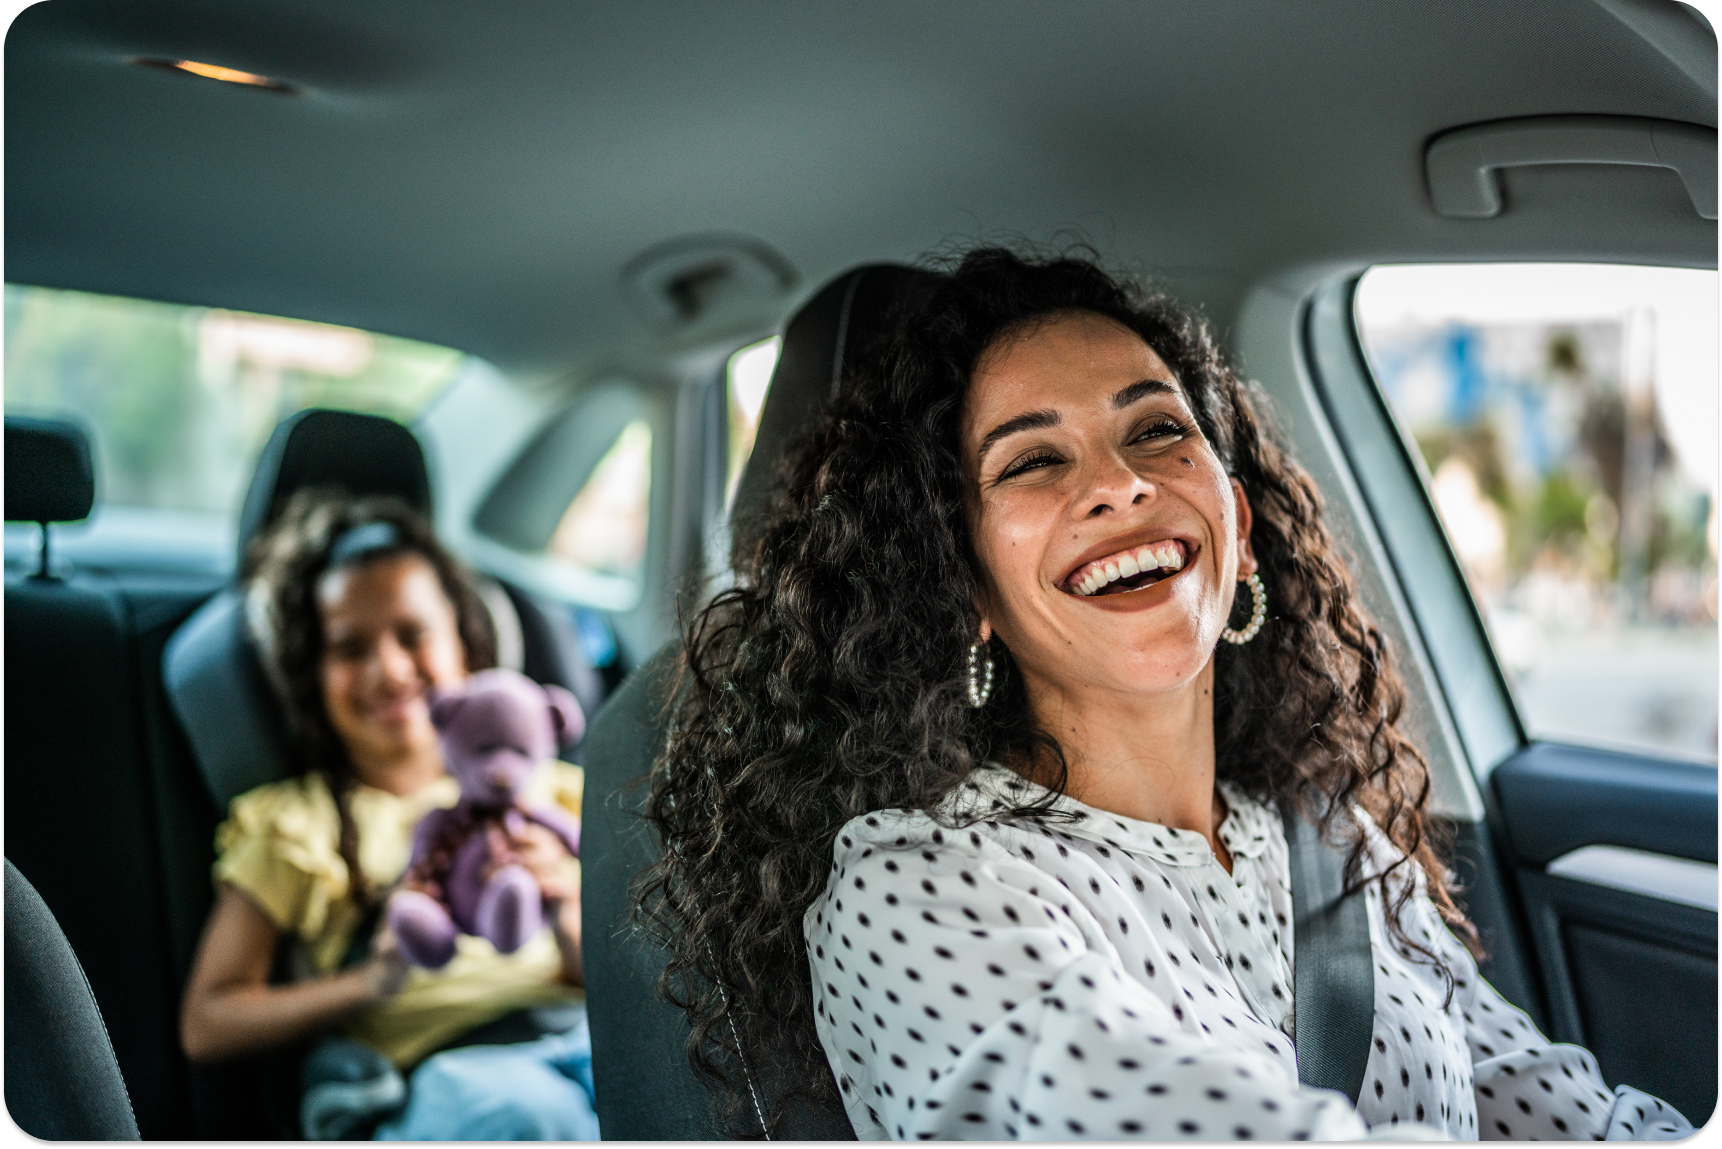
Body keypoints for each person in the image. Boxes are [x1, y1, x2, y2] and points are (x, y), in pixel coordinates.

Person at [637, 248, 1694, 1140]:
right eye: (1031, 462)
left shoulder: (1338, 845)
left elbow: (1557, 1106)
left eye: (1155, 431)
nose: (1119, 483)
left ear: (1234, 525)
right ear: (965, 591)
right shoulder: (917, 890)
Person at [179, 491, 600, 1140]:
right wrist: (368, 982)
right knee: (533, 1115)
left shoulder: (556, 794)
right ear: (311, 675)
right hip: (442, 1080)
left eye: (413, 635)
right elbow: (208, 1020)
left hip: (582, 1043)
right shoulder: (299, 825)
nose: (390, 669)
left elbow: (614, 981)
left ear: (465, 641)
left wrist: (567, 903)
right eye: (350, 648)